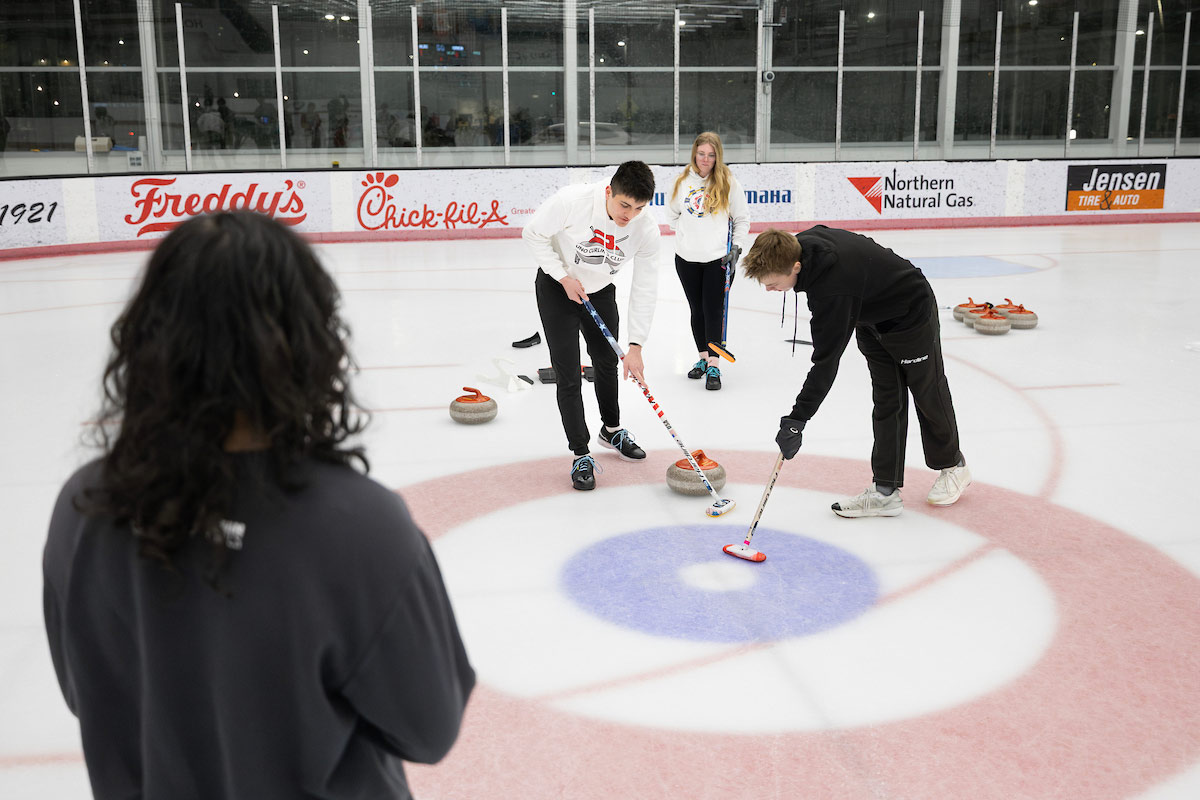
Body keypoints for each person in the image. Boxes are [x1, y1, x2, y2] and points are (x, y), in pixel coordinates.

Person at [43, 211, 475, 799]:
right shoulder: (360, 529)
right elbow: (429, 727)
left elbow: (84, 689)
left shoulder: (84, 508)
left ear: (149, 336)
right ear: (307, 340)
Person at [741, 226, 971, 516]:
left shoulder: (833, 290)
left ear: (796, 266)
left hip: (910, 312)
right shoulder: (792, 247)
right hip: (869, 317)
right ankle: (885, 492)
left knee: (927, 391)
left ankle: (954, 466)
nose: (769, 289)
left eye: (773, 283)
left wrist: (798, 418)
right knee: (888, 399)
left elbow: (825, 363)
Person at [522, 161, 661, 491]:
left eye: (639, 208)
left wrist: (637, 346)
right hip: (559, 288)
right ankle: (580, 453)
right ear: (609, 191)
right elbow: (533, 233)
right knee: (568, 372)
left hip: (599, 292)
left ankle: (611, 430)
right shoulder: (573, 201)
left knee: (607, 362)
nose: (630, 215)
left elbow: (646, 286)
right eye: (625, 205)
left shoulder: (646, 229)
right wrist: (562, 276)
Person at [666, 131, 750, 391]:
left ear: (717, 156)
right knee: (697, 310)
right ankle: (703, 358)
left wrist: (736, 248)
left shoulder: (728, 182)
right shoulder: (681, 182)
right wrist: (690, 233)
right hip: (687, 259)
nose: (705, 159)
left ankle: (714, 363)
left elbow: (742, 219)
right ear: (694, 153)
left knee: (714, 311)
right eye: (701, 154)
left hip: (719, 260)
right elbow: (671, 216)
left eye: (711, 155)